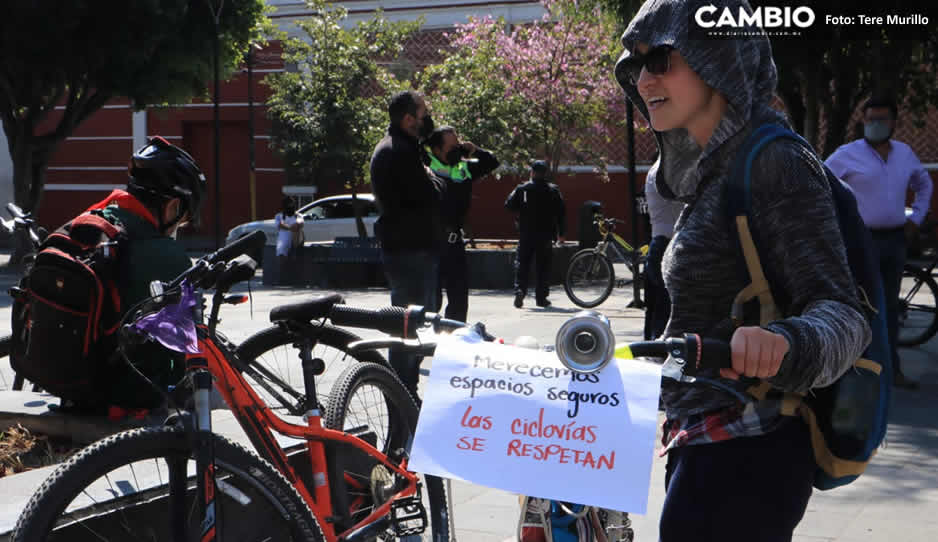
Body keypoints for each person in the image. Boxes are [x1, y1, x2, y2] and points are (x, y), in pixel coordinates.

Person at [614, 1, 871, 540]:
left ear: (718, 57)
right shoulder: (710, 168)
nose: (643, 79)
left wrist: (785, 342)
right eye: (636, 64)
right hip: (703, 438)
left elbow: (844, 313)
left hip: (752, 448)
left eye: (660, 60)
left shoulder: (777, 162)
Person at [85, 136, 206, 410]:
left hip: (72, 382)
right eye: (184, 217)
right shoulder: (168, 255)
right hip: (128, 394)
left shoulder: (97, 220)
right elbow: (183, 349)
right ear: (173, 207)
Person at [825, 96, 933, 390]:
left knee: (889, 307)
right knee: (861, 305)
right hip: (861, 241)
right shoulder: (848, 154)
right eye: (870, 119)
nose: (874, 125)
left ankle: (891, 369)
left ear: (894, 122)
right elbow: (821, 183)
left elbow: (924, 184)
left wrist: (916, 218)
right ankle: (855, 371)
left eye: (881, 119)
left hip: (895, 240)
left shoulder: (904, 154)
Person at [370, 90, 445, 396]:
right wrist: (432, 177)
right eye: (424, 114)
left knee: (415, 322)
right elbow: (432, 193)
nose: (428, 120)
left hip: (412, 247)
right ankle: (403, 393)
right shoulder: (398, 151)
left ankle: (405, 390)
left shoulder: (402, 147)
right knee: (408, 324)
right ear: (408, 119)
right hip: (409, 250)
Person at [426, 125, 500, 322]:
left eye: (457, 145)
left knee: (459, 298)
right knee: (430, 299)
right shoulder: (426, 168)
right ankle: (425, 336)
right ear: (436, 150)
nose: (456, 151)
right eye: (451, 148)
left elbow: (492, 162)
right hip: (430, 242)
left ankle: (454, 335)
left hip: (454, 241)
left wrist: (475, 150)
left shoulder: (462, 168)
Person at [505, 160, 566, 308]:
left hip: (526, 233)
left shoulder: (522, 189)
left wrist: (522, 208)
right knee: (543, 266)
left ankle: (520, 290)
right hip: (545, 235)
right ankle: (541, 298)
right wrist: (561, 233)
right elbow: (561, 213)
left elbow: (509, 205)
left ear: (532, 172)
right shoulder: (553, 190)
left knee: (522, 264)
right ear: (545, 174)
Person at [642, 168, 683, 340]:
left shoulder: (654, 172)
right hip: (668, 245)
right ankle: (657, 347)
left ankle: (649, 347)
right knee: (665, 307)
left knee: (654, 307)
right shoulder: (669, 171)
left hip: (658, 243)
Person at [274, 196, 304, 285]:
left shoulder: (298, 215)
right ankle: (282, 279)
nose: (290, 206)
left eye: (292, 204)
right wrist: (290, 228)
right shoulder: (279, 216)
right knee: (281, 254)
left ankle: (295, 279)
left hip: (296, 239)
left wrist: (295, 226)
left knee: (296, 230)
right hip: (283, 239)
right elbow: (280, 225)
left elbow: (300, 223)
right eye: (288, 204)